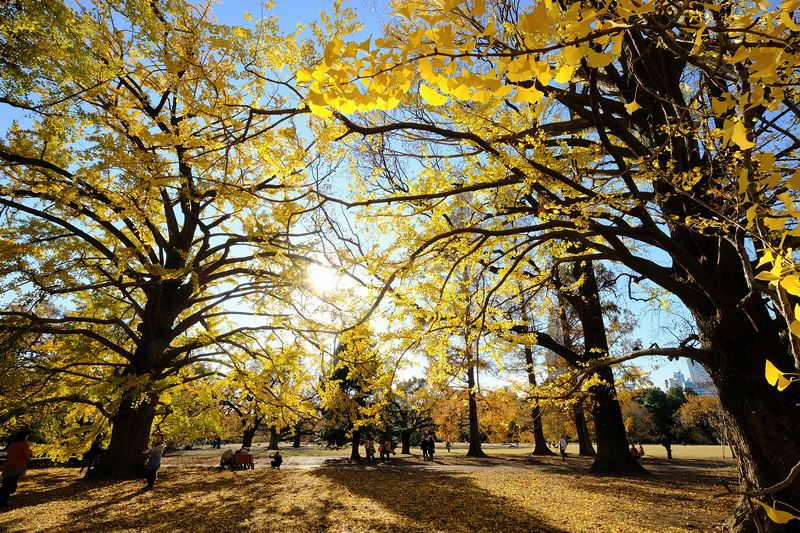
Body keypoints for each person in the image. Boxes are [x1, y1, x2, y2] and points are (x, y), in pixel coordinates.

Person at [0, 430, 32, 508]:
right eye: (27, 436)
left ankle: (2, 499)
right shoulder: (24, 445)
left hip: (8, 467)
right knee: (10, 486)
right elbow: (27, 457)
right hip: (17, 467)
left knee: (6, 484)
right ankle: (2, 501)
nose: (27, 438)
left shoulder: (12, 445)